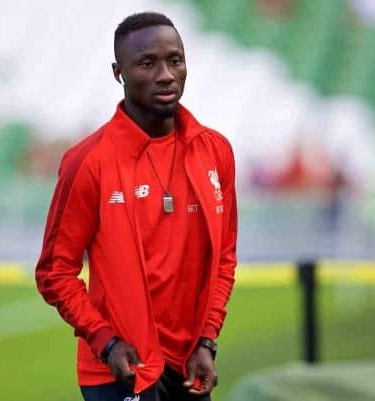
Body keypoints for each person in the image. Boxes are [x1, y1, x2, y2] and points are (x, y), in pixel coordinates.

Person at [35, 12, 238, 401]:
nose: (165, 74)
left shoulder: (216, 152)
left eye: (175, 60)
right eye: (147, 63)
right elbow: (54, 272)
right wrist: (105, 341)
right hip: (119, 370)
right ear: (118, 73)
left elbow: (224, 258)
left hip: (189, 367)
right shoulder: (88, 161)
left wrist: (206, 341)